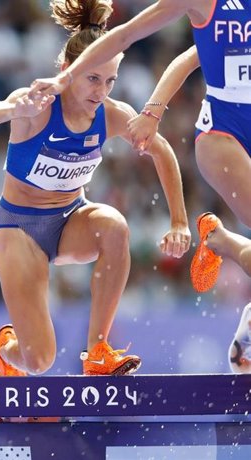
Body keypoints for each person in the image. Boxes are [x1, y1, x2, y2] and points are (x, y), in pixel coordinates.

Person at [0, 0, 191, 377]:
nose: (101, 90)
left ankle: (98, 350)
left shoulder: (112, 114)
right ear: (69, 71)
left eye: (109, 81)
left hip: (71, 221)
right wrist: (11, 111)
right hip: (18, 231)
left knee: (115, 226)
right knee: (39, 361)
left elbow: (161, 150)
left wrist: (179, 220)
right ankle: (8, 349)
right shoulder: (38, 104)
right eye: (92, 79)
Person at [29, 0, 251, 372]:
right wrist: (150, 111)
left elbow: (192, 55)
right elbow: (128, 34)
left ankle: (223, 243)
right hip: (223, 137)